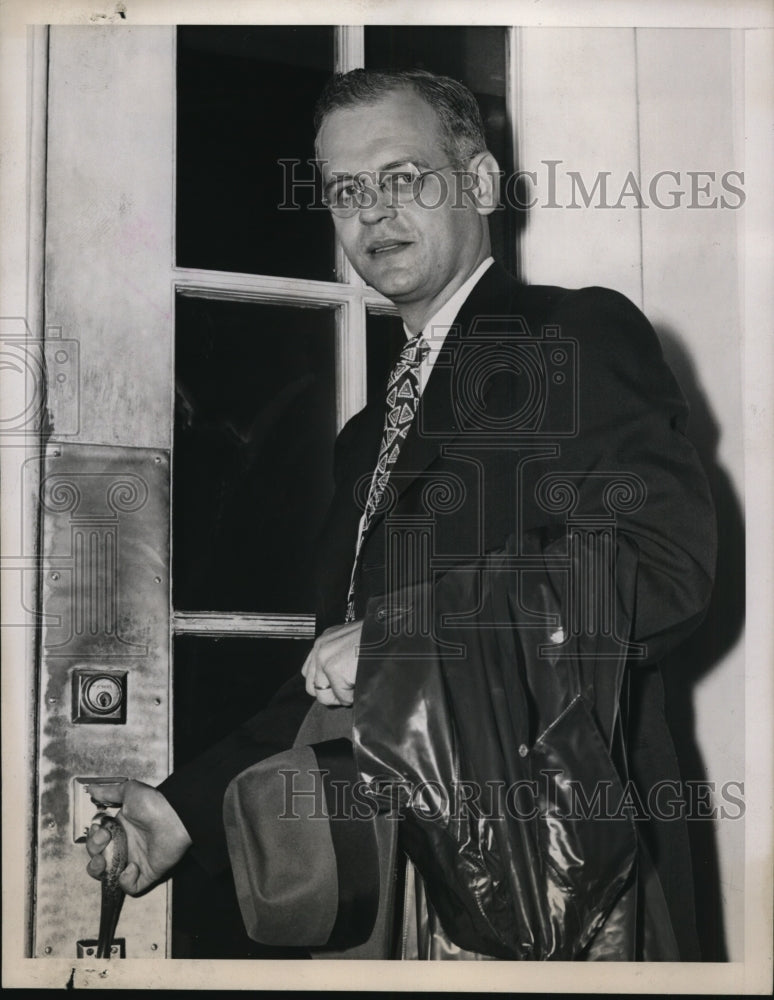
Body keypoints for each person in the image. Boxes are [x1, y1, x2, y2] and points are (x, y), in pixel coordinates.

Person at [86, 68, 716, 960]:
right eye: (347, 190)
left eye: (405, 177)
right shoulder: (364, 434)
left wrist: (401, 635)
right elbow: (329, 675)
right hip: (378, 874)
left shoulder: (571, 336)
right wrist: (180, 812)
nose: (373, 212)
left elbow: (662, 570)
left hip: (548, 879)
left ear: (482, 184)